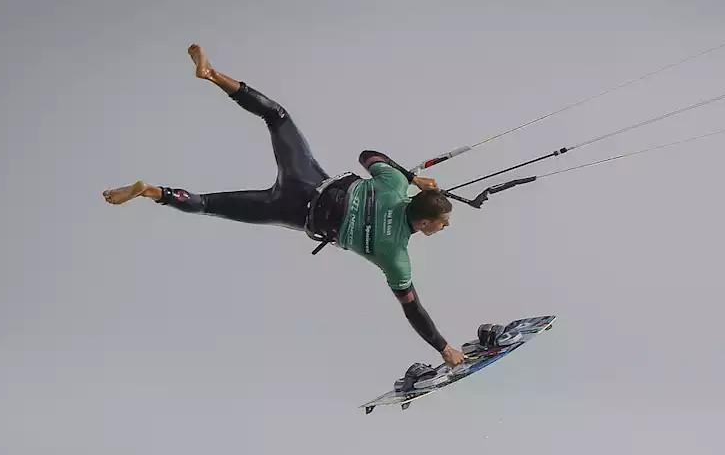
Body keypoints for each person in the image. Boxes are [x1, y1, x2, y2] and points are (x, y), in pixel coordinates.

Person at [103, 45, 466, 368]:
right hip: (289, 209)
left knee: (276, 116)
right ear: (425, 221)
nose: (444, 228)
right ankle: (152, 191)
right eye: (443, 223)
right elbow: (412, 308)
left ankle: (211, 74)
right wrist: (444, 348)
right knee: (207, 205)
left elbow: (367, 155)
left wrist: (411, 177)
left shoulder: (395, 184)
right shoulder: (395, 256)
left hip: (305, 179)